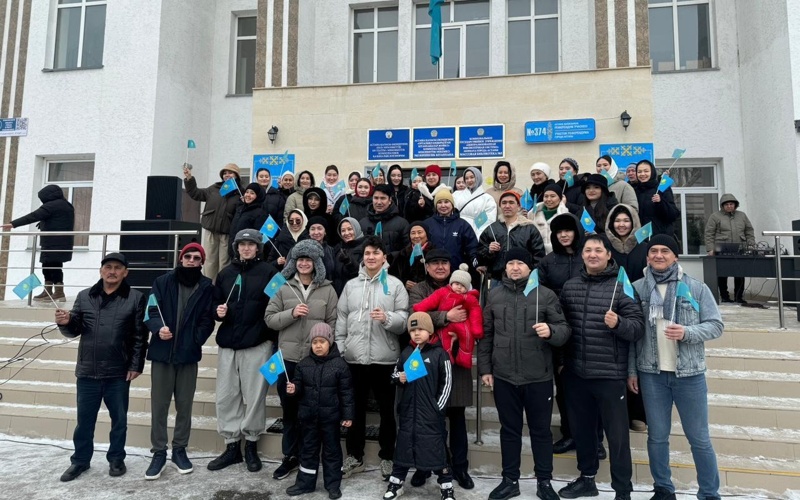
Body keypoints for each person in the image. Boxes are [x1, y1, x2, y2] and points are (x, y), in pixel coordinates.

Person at [629, 235, 724, 500]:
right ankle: (663, 488)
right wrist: (632, 371)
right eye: (654, 251)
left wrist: (687, 332)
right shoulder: (637, 289)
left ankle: (709, 492)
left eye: (665, 251)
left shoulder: (695, 288)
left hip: (689, 375)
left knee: (699, 438)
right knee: (657, 437)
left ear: (675, 257)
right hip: (652, 375)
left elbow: (716, 325)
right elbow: (632, 336)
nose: (659, 255)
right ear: (647, 257)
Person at [478, 248, 570, 500]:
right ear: (505, 268)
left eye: (520, 263)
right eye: (511, 263)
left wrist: (551, 331)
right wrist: (485, 369)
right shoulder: (494, 295)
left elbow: (564, 330)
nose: (515, 267)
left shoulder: (545, 295)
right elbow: (486, 335)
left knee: (541, 431)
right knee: (509, 431)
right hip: (504, 376)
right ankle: (510, 480)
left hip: (538, 377)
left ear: (530, 267)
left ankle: (544, 481)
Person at [558, 235, 645, 500]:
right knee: (583, 432)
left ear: (609, 255)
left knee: (617, 438)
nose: (593, 254)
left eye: (598, 250)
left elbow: (638, 327)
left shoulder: (622, 287)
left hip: (609, 375)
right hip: (576, 373)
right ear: (582, 255)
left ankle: (622, 490)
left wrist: (619, 323)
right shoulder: (570, 286)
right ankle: (587, 479)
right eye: (588, 250)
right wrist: (562, 363)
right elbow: (562, 327)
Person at [55, 252, 148, 482]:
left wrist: (136, 364)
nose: (112, 271)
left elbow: (139, 336)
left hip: (118, 371)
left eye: (117, 268)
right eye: (108, 267)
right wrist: (66, 323)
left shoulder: (136, 298)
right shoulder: (84, 296)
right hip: (88, 370)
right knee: (84, 422)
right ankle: (80, 461)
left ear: (125, 272)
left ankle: (116, 458)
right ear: (101, 271)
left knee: (119, 421)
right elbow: (74, 329)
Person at [335, 236, 409, 480]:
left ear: (384, 257)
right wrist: (342, 348)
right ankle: (354, 456)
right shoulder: (351, 286)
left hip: (384, 359)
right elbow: (341, 319)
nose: (371, 257)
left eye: (376, 253)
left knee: (388, 411)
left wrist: (387, 318)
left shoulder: (395, 285)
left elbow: (403, 320)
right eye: (367, 253)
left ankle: (387, 456)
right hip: (354, 359)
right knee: (354, 410)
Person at [265, 239, 339, 481]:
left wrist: (324, 347)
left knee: (312, 412)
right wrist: (292, 313)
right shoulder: (281, 285)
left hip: (314, 361)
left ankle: (309, 455)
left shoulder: (328, 289)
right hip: (288, 360)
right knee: (290, 411)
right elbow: (269, 319)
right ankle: (290, 456)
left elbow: (333, 323)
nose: (304, 263)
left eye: (309, 259)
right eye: (300, 259)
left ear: (316, 262)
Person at [208, 229, 279, 473]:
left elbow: (277, 304)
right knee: (226, 396)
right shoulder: (226, 273)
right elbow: (214, 303)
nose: (246, 248)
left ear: (258, 248)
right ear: (236, 247)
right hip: (229, 344)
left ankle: (251, 444)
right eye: (242, 244)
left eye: (251, 244)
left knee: (254, 396)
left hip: (257, 342)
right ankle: (231, 447)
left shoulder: (270, 272)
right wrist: (217, 311)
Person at [143, 243, 215, 480]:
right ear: (180, 259)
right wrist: (157, 328)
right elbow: (151, 310)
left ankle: (179, 449)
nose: (191, 260)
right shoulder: (162, 282)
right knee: (159, 406)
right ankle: (159, 451)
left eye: (196, 258)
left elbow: (207, 319)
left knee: (185, 405)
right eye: (188, 256)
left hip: (187, 355)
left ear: (202, 262)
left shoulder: (206, 286)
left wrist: (196, 339)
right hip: (162, 354)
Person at [408, 249, 474, 490]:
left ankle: (460, 467)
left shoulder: (463, 288)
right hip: (425, 360)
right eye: (434, 263)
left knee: (457, 417)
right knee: (426, 418)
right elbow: (415, 316)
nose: (440, 267)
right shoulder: (419, 289)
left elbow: (469, 315)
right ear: (427, 267)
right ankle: (424, 466)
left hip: (455, 360)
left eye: (444, 262)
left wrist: (450, 319)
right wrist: (446, 316)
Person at [384, 312, 455, 500]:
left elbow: (447, 383)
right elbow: (395, 374)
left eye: (421, 329)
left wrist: (437, 408)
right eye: (413, 330)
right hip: (409, 412)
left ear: (430, 331)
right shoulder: (407, 353)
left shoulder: (440, 354)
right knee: (404, 447)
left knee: (436, 448)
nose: (416, 333)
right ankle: (396, 483)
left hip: (430, 414)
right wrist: (399, 377)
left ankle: (446, 486)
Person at [535, 213, 586, 455]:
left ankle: (593, 436)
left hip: (588, 329)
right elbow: (539, 294)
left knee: (588, 387)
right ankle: (569, 433)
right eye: (559, 231)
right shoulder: (547, 262)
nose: (564, 235)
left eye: (568, 230)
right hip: (558, 330)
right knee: (564, 385)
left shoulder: (588, 256)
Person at [285, 323, 354, 499]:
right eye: (315, 342)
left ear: (329, 342)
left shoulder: (340, 365)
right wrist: (294, 389)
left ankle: (333, 485)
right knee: (308, 450)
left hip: (330, 419)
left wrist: (347, 415)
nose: (318, 345)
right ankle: (305, 483)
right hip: (308, 418)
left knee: (332, 452)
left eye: (322, 341)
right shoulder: (303, 365)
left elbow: (346, 393)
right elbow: (298, 385)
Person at [3, 184, 74, 301]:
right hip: (60, 242)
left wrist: (13, 224)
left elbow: (33, 216)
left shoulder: (51, 206)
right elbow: (57, 221)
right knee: (51, 266)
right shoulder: (67, 205)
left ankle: (58, 293)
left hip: (52, 242)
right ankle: (49, 292)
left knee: (52, 267)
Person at [413, 264, 483, 369]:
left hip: (462, 324)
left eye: (463, 286)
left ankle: (464, 358)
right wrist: (419, 307)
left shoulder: (469, 298)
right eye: (457, 284)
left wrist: (476, 329)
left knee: (467, 337)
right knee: (444, 341)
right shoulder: (443, 292)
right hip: (445, 326)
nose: (459, 287)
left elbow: (475, 313)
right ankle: (447, 360)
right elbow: (431, 301)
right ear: (451, 283)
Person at [183, 163, 241, 280]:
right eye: (224, 173)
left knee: (225, 262)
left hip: (227, 234)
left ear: (236, 176)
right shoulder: (214, 188)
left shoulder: (240, 193)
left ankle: (222, 286)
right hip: (211, 231)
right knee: (209, 261)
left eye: (230, 173)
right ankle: (209, 285)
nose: (227, 175)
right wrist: (189, 178)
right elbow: (196, 193)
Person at [478, 191, 545, 286]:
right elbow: (480, 253)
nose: (507, 206)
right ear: (500, 206)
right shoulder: (492, 229)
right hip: (498, 280)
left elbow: (539, 255)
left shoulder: (529, 228)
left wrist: (532, 275)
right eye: (504, 203)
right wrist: (489, 251)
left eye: (511, 202)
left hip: (524, 281)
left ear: (518, 206)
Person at [704, 194, 755, 303]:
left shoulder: (742, 216)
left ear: (735, 205)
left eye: (731, 204)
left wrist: (751, 244)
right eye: (726, 204)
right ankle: (725, 297)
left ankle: (739, 297)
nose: (729, 206)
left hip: (740, 248)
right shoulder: (715, 216)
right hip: (722, 249)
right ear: (722, 206)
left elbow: (749, 230)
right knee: (722, 274)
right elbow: (709, 233)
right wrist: (710, 249)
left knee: (740, 273)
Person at [423, 190, 478, 271]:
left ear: (452, 204)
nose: (443, 205)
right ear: (435, 205)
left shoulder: (462, 224)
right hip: (433, 271)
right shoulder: (427, 224)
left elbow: (472, 247)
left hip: (456, 270)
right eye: (439, 202)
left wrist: (476, 264)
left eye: (446, 202)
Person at [359, 184, 410, 261]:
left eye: (383, 198)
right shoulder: (363, 223)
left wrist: (390, 258)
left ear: (390, 200)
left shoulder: (402, 223)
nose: (379, 202)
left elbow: (407, 249)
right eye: (376, 198)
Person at [634, 160, 680, 238]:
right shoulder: (635, 190)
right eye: (639, 172)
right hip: (641, 237)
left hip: (660, 236)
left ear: (652, 172)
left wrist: (660, 202)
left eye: (646, 171)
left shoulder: (662, 188)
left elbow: (673, 214)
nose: (642, 174)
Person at [228, 183, 268, 260]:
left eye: (252, 193)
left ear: (258, 196)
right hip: (236, 250)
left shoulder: (260, 212)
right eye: (247, 192)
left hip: (249, 253)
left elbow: (261, 236)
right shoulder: (240, 209)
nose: (248, 195)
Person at [453, 167, 497, 237]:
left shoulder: (487, 198)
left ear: (478, 178)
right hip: (458, 231)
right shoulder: (456, 195)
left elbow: (489, 218)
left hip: (476, 233)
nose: (469, 180)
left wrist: (476, 233)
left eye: (472, 177)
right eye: (466, 178)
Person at [527, 184, 570, 254]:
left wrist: (562, 206)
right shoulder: (533, 215)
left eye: (552, 196)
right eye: (546, 196)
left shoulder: (566, 215)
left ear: (560, 198)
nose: (549, 199)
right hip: (537, 255)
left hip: (558, 255)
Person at [390, 223, 434, 290]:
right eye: (413, 233)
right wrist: (403, 282)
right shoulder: (402, 254)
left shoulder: (434, 253)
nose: (416, 236)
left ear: (427, 235)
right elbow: (392, 275)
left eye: (419, 232)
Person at [332, 217, 365, 296]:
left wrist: (349, 262)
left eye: (350, 229)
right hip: (339, 294)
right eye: (343, 230)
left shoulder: (365, 248)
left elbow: (362, 273)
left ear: (356, 229)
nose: (346, 233)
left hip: (357, 294)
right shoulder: (338, 249)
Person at [307, 216, 337, 285]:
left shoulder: (331, 250)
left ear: (325, 231)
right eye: (312, 229)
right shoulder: (301, 249)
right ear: (309, 232)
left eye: (319, 228)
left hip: (328, 287)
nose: (316, 232)